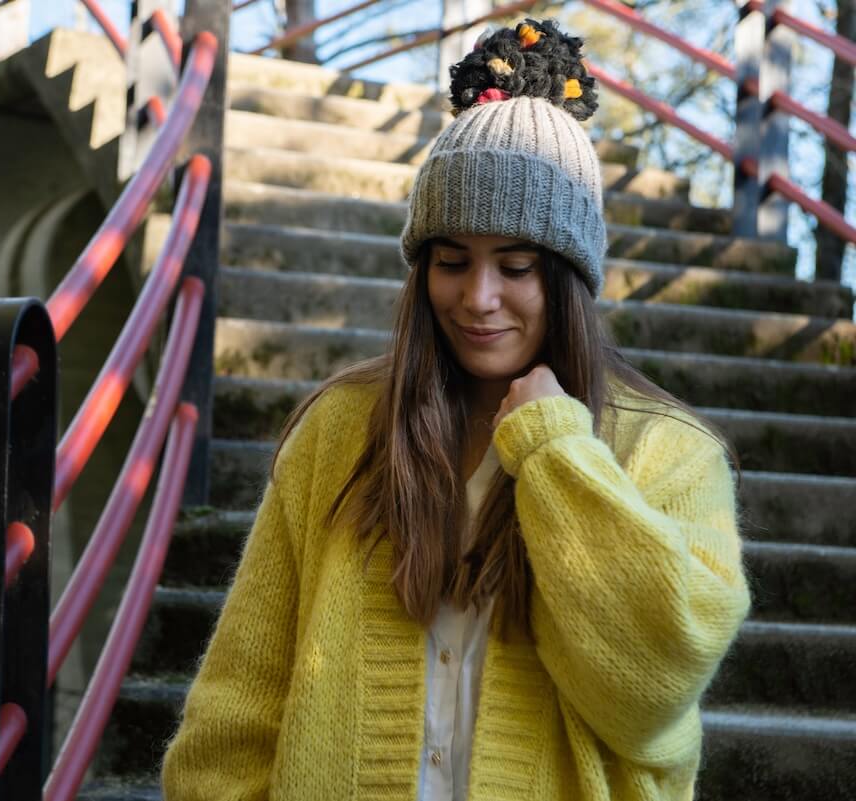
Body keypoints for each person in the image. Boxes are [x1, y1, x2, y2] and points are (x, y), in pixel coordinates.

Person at [161, 18, 751, 801]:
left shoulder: (668, 454)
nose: (478, 299)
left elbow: (650, 689)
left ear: (569, 281)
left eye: (515, 266)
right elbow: (239, 705)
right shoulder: (340, 431)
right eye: (450, 261)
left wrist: (553, 449)